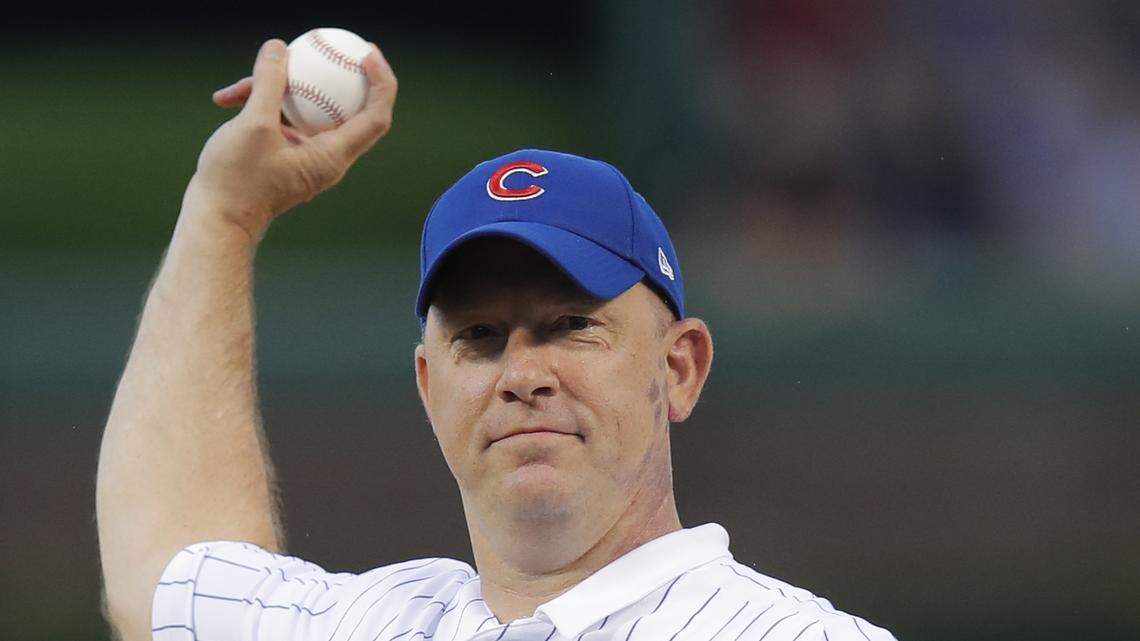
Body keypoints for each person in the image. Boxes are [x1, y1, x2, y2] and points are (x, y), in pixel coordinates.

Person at [96, 39, 898, 641]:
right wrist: (224, 214)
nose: (522, 372)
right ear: (427, 386)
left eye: (571, 325)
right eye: (479, 336)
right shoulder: (374, 622)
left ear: (680, 367)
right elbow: (161, 577)